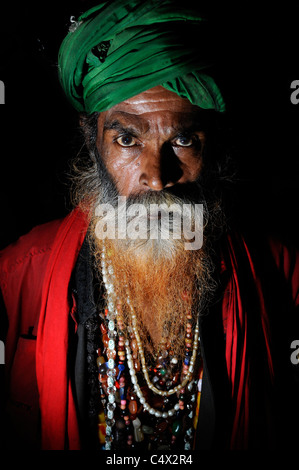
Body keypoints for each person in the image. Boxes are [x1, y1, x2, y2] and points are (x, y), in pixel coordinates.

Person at [0, 0, 298, 452]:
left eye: (182, 140)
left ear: (212, 145)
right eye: (126, 138)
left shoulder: (282, 271)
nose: (157, 177)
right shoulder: (20, 272)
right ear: (92, 140)